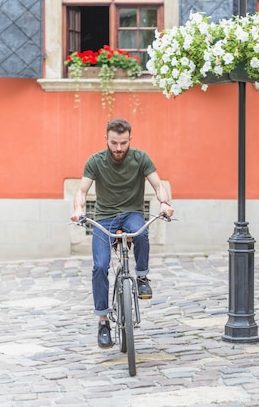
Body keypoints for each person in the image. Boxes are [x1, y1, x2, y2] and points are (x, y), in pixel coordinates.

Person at [70, 118, 174, 349]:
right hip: (104, 217)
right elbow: (82, 190)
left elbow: (158, 185)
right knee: (99, 266)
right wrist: (78, 209)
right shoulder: (95, 161)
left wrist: (164, 203)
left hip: (131, 213)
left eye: (123, 143)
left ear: (130, 140)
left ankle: (142, 277)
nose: (118, 148)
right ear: (106, 139)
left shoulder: (140, 158)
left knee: (141, 233)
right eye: (114, 143)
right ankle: (103, 322)